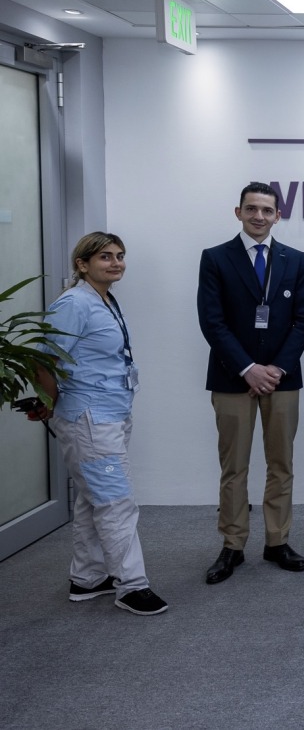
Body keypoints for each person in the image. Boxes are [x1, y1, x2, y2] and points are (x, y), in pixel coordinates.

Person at [26, 233, 167, 615]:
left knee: (93, 499)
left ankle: (87, 578)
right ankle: (132, 585)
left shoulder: (103, 299)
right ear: (82, 264)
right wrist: (51, 404)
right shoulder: (73, 303)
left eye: (120, 256)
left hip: (112, 414)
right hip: (89, 419)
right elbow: (43, 359)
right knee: (117, 502)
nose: (116, 262)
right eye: (105, 256)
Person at [197, 181, 304, 583]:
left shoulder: (295, 260)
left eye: (267, 210)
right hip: (233, 379)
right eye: (252, 209)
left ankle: (277, 541)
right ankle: (232, 546)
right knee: (234, 468)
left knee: (281, 464)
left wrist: (275, 369)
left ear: (278, 215)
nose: (259, 216)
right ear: (238, 212)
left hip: (282, 379)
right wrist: (248, 368)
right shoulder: (215, 258)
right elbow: (212, 321)